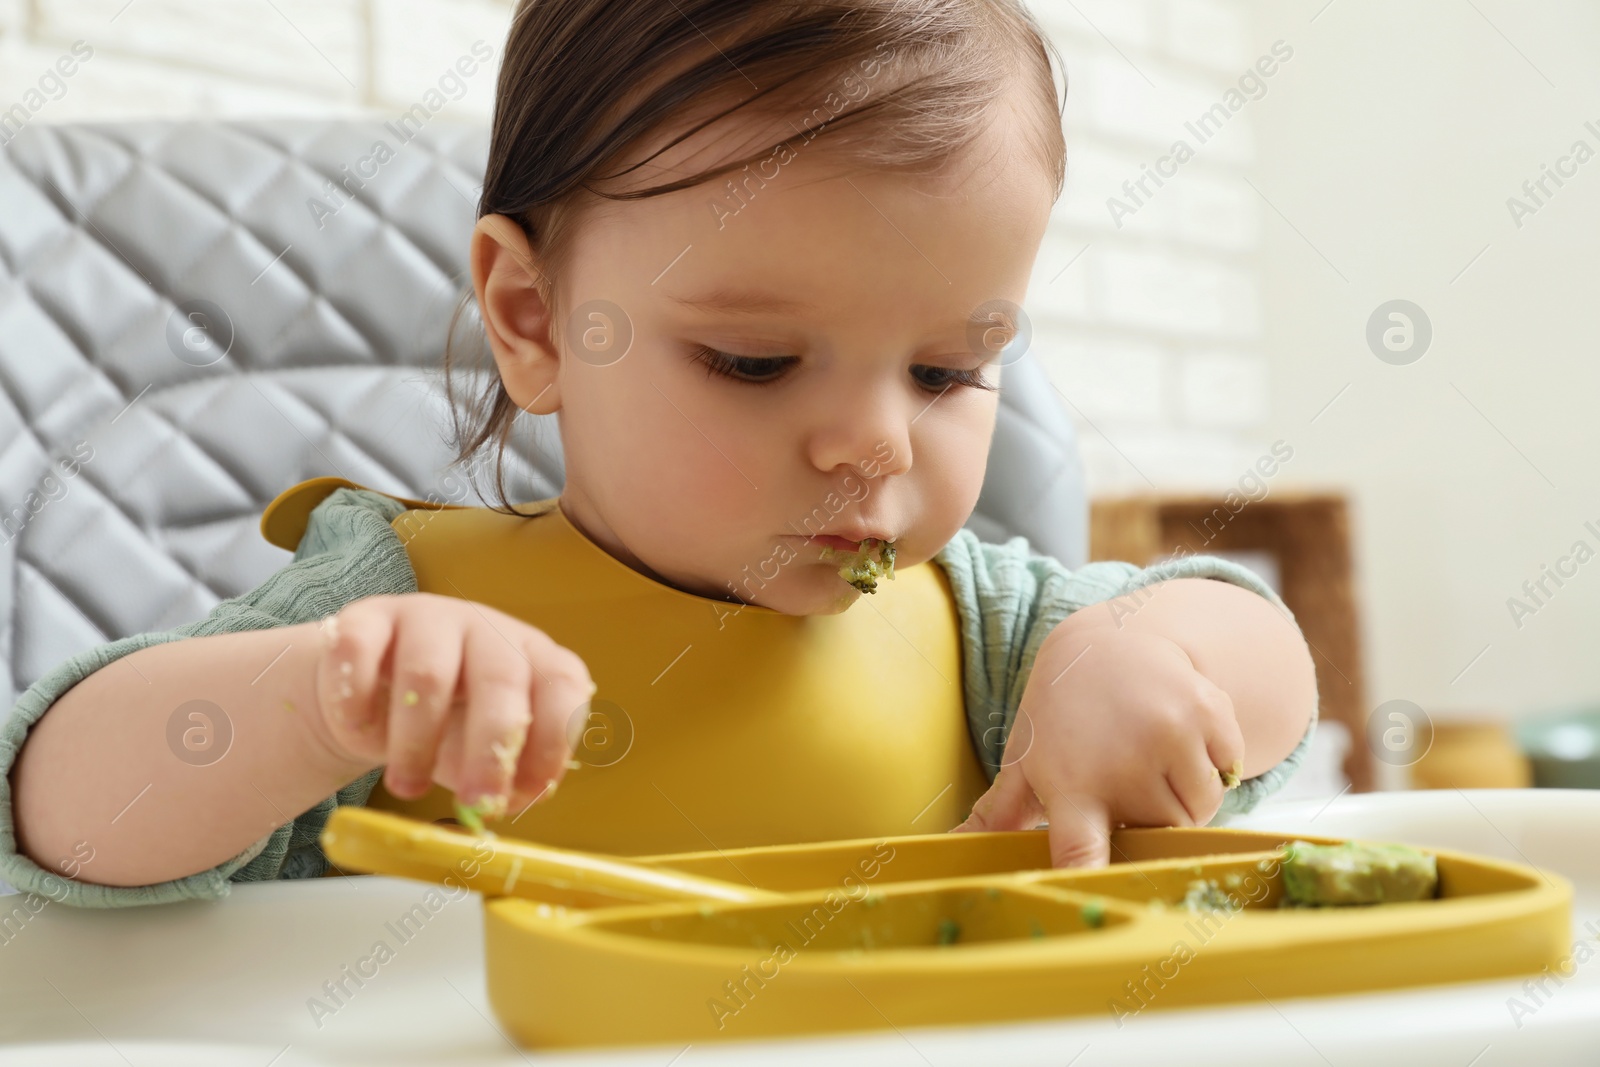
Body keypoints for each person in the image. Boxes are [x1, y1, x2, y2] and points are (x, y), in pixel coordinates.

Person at [2, 0, 1316, 909]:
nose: (874, 443)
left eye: (947, 371)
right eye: (752, 362)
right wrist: (308, 701)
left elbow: (1271, 667)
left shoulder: (991, 635)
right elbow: (47, 817)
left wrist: (1150, 656)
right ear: (532, 320)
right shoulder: (402, 613)